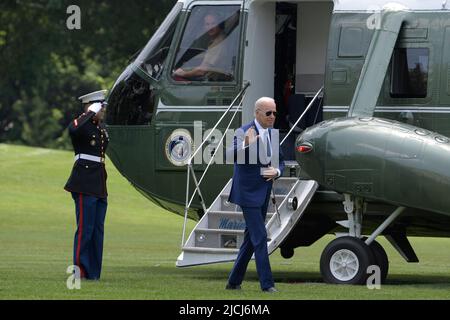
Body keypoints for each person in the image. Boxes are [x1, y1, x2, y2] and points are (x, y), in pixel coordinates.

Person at [225, 97, 285, 293]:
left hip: (264, 192)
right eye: (269, 113)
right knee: (260, 237)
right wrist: (246, 144)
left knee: (251, 239)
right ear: (257, 113)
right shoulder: (244, 131)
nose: (273, 116)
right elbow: (229, 155)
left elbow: (281, 162)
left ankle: (233, 282)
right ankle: (267, 285)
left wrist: (276, 172)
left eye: (274, 112)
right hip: (247, 193)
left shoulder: (272, 134)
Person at [64, 90, 109, 280]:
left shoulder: (99, 129)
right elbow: (73, 129)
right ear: (91, 106)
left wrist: (95, 117)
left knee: (98, 231)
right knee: (85, 229)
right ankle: (80, 272)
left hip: (98, 184)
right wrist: (89, 113)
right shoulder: (81, 125)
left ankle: (93, 273)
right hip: (83, 183)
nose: (102, 112)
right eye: (101, 108)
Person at [173, 12, 229, 81]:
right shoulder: (217, 38)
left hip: (212, 81)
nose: (210, 27)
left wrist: (183, 73)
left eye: (213, 23)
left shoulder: (218, 43)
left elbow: (202, 71)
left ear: (220, 25)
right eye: (207, 24)